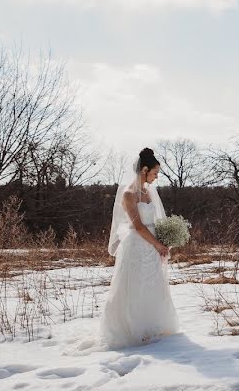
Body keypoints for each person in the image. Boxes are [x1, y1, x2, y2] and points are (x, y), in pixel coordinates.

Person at [100, 148, 178, 348]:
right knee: (134, 286)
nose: (156, 176)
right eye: (154, 172)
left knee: (152, 284)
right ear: (144, 170)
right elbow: (138, 226)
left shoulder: (149, 192)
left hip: (151, 245)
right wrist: (158, 244)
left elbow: (154, 222)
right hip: (136, 245)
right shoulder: (129, 194)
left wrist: (166, 237)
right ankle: (132, 329)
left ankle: (151, 327)